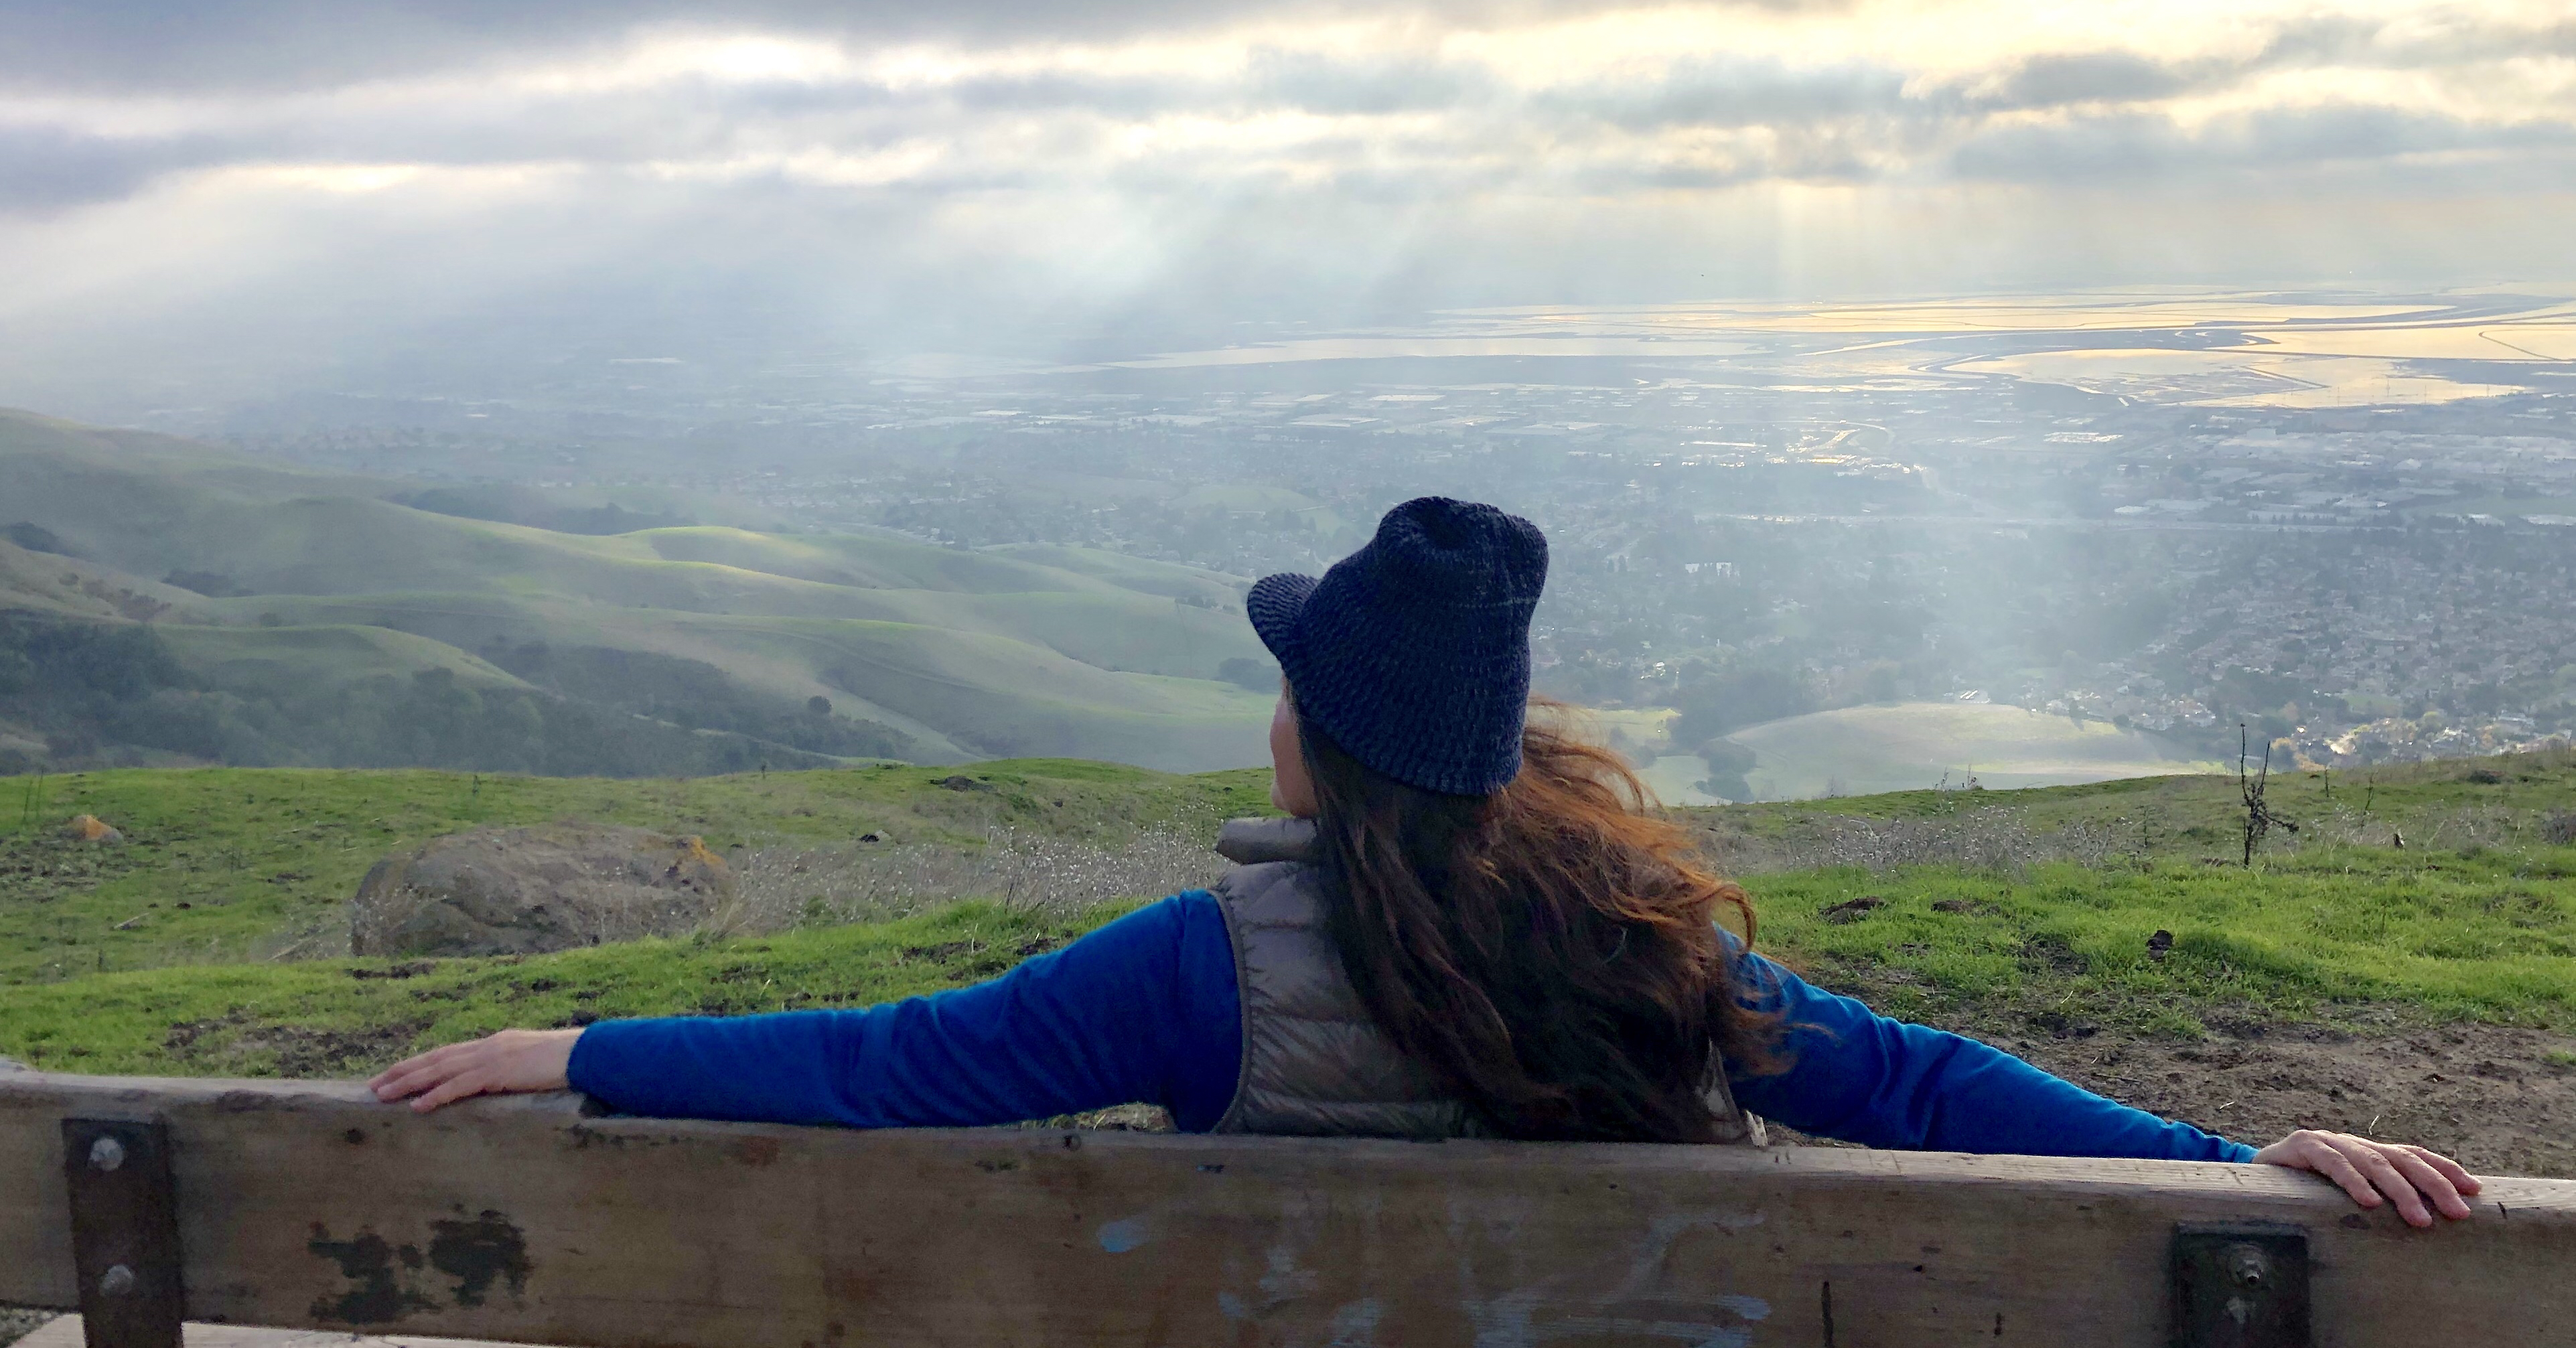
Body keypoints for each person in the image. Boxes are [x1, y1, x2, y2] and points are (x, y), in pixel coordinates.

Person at [374, 497, 2481, 1227]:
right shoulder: (1639, 935)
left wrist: (580, 1043)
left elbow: (894, 1066)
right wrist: (2233, 1163)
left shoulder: (1196, 964)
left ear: (1311, 739)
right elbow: (1919, 1086)